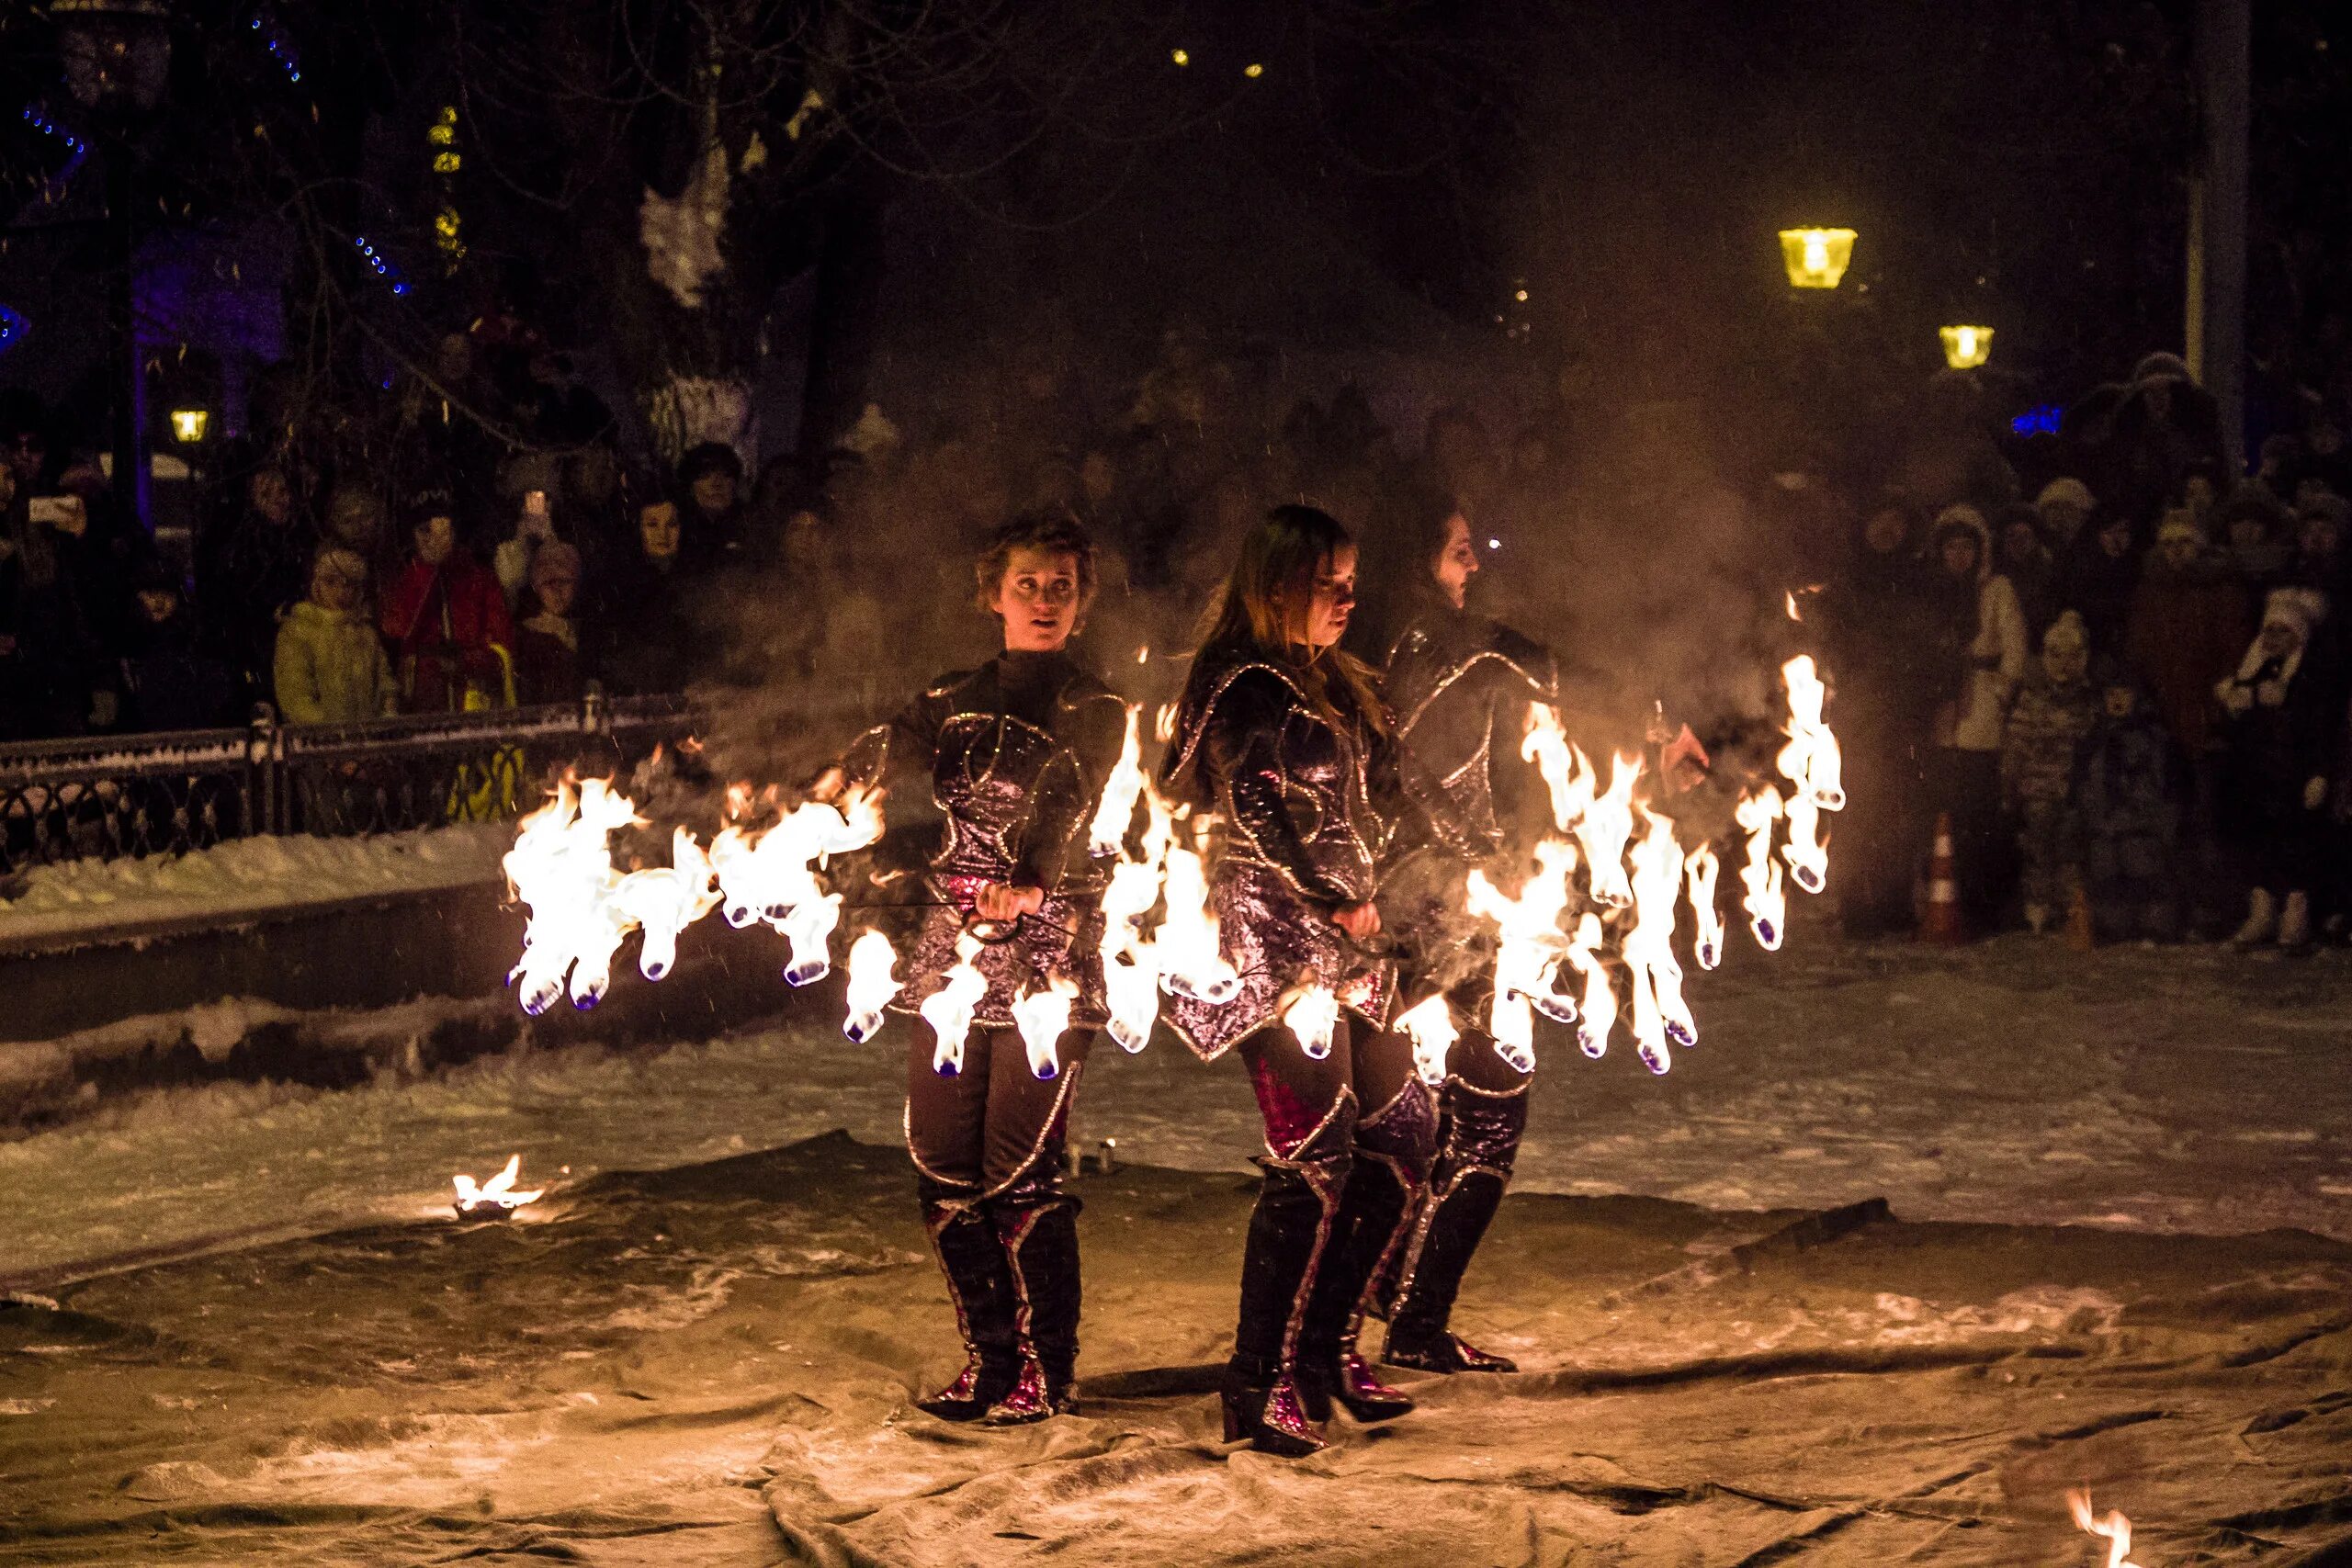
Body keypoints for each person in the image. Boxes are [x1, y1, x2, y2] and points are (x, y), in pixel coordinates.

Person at [825, 513, 1127, 1426]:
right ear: (992, 592)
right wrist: (817, 790)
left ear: (1083, 600)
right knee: (942, 1166)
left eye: (1062, 586)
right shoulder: (949, 697)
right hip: (949, 954)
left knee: (1018, 1171)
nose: (1045, 601)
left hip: (1047, 952)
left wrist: (1030, 881)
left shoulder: (1095, 706)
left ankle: (1047, 1371)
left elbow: (1070, 797)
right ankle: (990, 1360)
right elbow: (877, 755)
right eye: (1029, 584)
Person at [1158, 504, 1435, 1457]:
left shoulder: (1338, 682)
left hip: (1352, 946)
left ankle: (1324, 1350)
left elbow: (1391, 799)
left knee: (1404, 1131)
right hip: (1268, 944)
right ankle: (1256, 1378)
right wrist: (1324, 890)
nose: (1349, 598)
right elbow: (1251, 797)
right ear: (1275, 586)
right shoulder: (1239, 680)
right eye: (1331, 582)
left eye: (1354, 581)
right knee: (1316, 1151)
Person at [1373, 493, 1554, 1374]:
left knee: (1435, 1118)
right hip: (1445, 914)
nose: (1472, 562)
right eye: (1456, 550)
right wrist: (1472, 849)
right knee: (1488, 1118)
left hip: (1423, 910)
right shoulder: (1438, 646)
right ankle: (1410, 1315)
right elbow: (1404, 767)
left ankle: (1392, 1291)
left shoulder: (1377, 648)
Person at [1826, 500, 1940, 937]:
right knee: (1856, 813)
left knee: (1899, 812)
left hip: (1903, 713)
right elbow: (1833, 646)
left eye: (1898, 521)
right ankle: (1855, 906)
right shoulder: (1847, 583)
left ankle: (1894, 903)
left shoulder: (1916, 582)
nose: (1888, 529)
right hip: (1857, 714)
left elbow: (1924, 644)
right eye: (1881, 519)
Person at [2216, 588, 2336, 952]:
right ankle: (2262, 911)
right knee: (2259, 840)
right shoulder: (2252, 672)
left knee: (2296, 841)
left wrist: (2320, 773)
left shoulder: (2311, 678)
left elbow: (2322, 730)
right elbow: (2240, 731)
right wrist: (2236, 707)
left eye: (2282, 631)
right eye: (2269, 631)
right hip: (2259, 774)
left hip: (2294, 774)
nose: (2273, 639)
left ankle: (2295, 913)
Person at [1927, 505, 2030, 931]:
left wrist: (2003, 690)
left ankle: (1985, 904)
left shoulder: (1996, 589)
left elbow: (2015, 643)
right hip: (1943, 706)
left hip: (1981, 704)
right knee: (1946, 803)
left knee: (1980, 807)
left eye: (1966, 547)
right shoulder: (1934, 590)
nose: (1958, 555)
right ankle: (1946, 898)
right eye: (1951, 547)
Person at [2000, 611, 2099, 932]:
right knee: (2038, 849)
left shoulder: (2088, 702)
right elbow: (2016, 744)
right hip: (2037, 790)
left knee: (2071, 851)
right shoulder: (2033, 698)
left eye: (2072, 656)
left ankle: (2069, 908)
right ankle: (2038, 908)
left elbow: (2094, 748)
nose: (2063, 664)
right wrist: (2010, 787)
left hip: (2073, 792)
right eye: (2055, 656)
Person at [2075, 661, 2182, 942]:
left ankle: (2155, 929)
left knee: (2146, 872)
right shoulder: (2094, 738)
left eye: (2124, 694)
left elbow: (2167, 786)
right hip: (2105, 826)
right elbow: (2082, 780)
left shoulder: (2152, 738)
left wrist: (2161, 822)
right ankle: (2114, 929)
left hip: (2141, 826)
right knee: (2107, 874)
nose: (2118, 701)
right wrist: (2088, 812)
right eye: (2111, 695)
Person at [381, 491, 514, 713]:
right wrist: (427, 570)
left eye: (442, 529)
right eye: (424, 530)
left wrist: (466, 662)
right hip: (421, 708)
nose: (432, 538)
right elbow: (397, 631)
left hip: (473, 703)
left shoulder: (479, 579)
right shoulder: (404, 580)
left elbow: (502, 645)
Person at [274, 547, 398, 723]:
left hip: (367, 738)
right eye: (331, 582)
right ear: (317, 584)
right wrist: (327, 730)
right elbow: (296, 696)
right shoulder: (299, 630)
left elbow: (384, 680)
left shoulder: (365, 632)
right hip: (321, 741)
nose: (341, 592)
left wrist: (388, 708)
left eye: (349, 584)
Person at [593, 495, 696, 694]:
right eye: (652, 525)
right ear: (638, 530)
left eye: (671, 524)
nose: (663, 534)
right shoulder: (618, 586)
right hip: (632, 700)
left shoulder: (697, 579)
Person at [118, 559, 232, 731]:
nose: (159, 601)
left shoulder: (191, 640)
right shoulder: (130, 643)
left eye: (167, 594)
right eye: (151, 593)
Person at [511, 541, 586, 704]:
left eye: (565, 581)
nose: (557, 591)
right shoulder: (525, 636)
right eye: (549, 583)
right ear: (536, 588)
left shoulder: (587, 632)